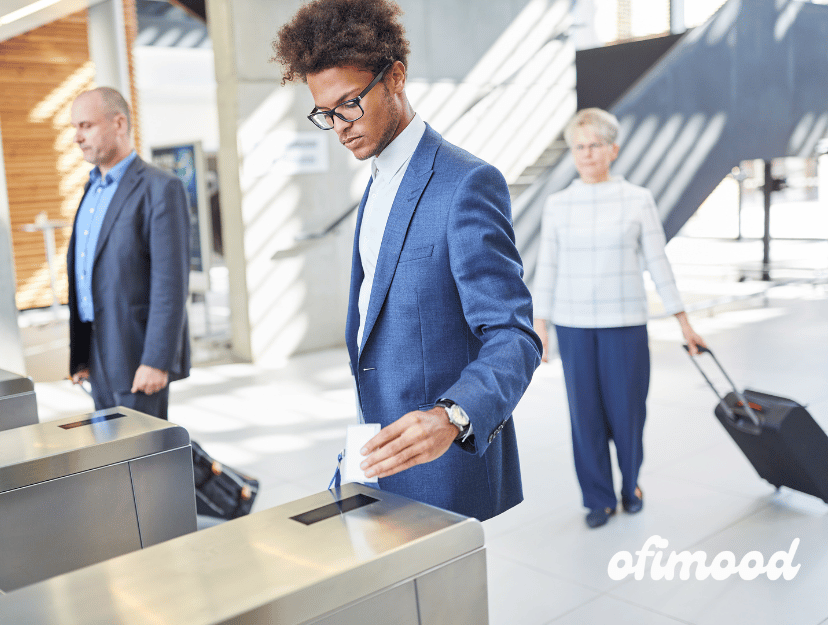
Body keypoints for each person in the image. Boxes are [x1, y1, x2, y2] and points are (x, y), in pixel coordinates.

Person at [272, 0, 542, 521]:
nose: (341, 127)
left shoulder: (466, 184)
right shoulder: (376, 183)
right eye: (326, 114)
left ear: (395, 77)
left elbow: (515, 334)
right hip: (376, 454)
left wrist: (452, 416)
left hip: (445, 461)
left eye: (349, 103)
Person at [531, 108, 707, 528]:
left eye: (595, 145)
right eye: (579, 146)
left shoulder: (637, 199)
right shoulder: (558, 205)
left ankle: (631, 484)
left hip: (625, 324)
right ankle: (598, 498)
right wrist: (541, 326)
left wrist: (683, 320)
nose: (587, 154)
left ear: (613, 149)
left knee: (628, 413)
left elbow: (657, 262)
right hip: (574, 327)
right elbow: (548, 267)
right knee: (585, 415)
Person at [66, 87, 191, 419]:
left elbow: (171, 284)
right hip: (96, 350)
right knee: (112, 453)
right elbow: (85, 272)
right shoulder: (90, 189)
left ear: (118, 124)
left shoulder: (160, 188)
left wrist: (156, 360)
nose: (77, 137)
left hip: (136, 351)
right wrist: (81, 356)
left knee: (145, 459)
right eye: (75, 128)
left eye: (86, 126)